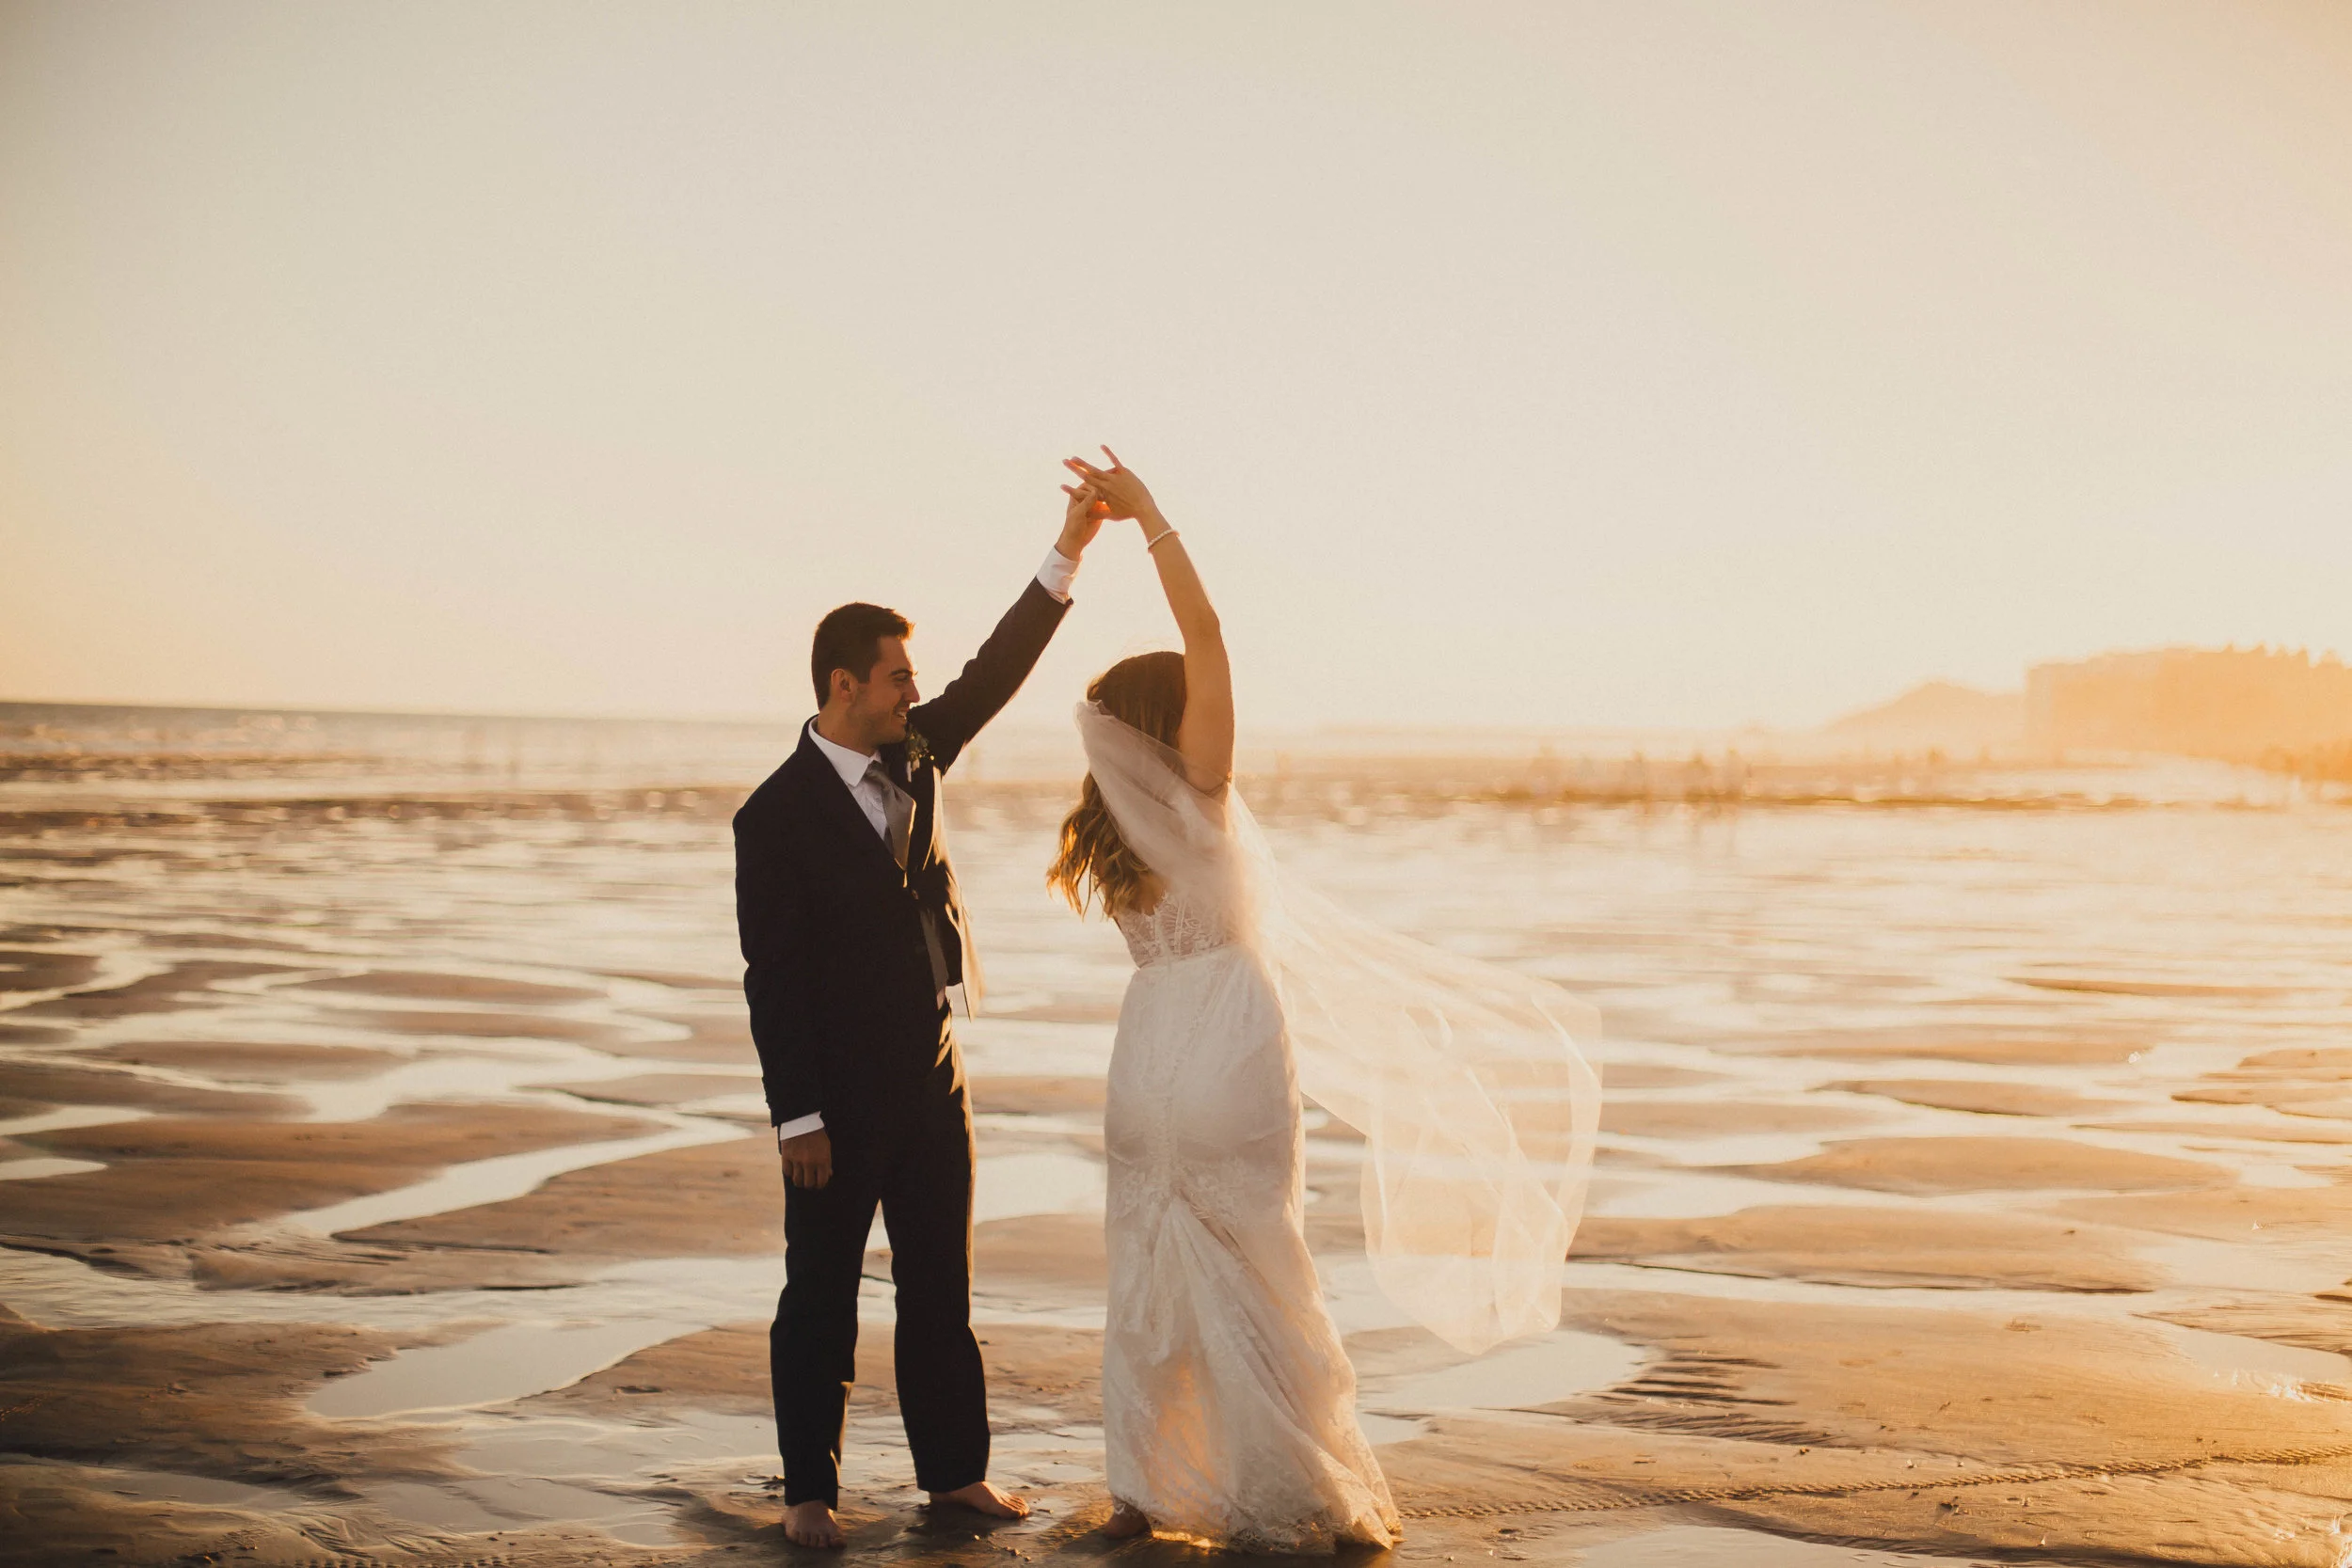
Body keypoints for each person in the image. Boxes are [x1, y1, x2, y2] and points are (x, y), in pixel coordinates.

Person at [1049, 450, 1602, 1551]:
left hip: (1147, 1045)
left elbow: (1191, 659)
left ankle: (1146, 1490)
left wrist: (1077, 540)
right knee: (1262, 1261)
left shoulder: (1114, 831)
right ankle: (1301, 1486)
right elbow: (1207, 635)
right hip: (1228, 1043)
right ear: (1183, 718)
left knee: (1148, 1265)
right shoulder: (1200, 792)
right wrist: (1154, 514)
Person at [734, 478, 1107, 1548]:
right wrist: (795, 1113)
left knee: (940, 1282)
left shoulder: (918, 750)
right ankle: (810, 1488)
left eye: (912, 676)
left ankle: (955, 1474)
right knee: (821, 1294)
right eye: (897, 675)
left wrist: (1067, 550)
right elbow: (774, 973)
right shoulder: (772, 816)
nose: (914, 689)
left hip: (934, 1071)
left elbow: (992, 672)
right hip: (836, 1100)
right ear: (844, 683)